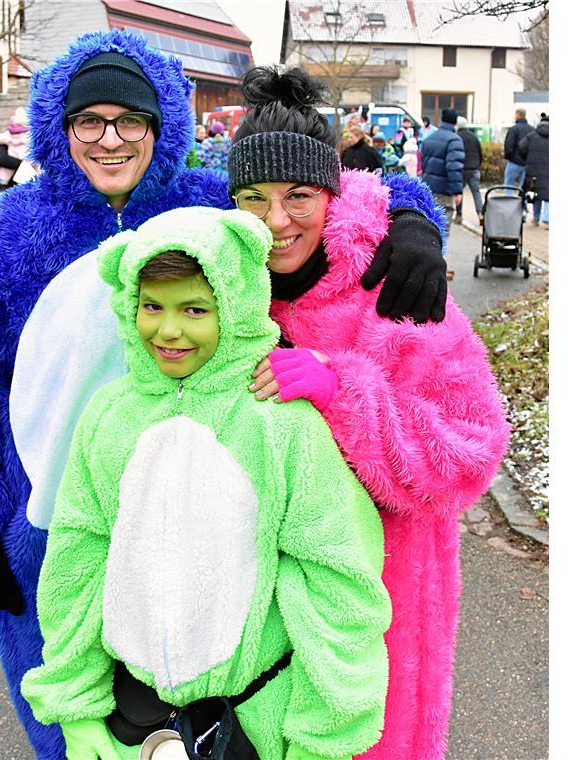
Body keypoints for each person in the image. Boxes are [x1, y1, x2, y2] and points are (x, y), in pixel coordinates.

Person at [0, 31, 447, 758]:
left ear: (161, 126)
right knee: (69, 710)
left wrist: (413, 217)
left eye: (130, 121)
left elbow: (319, 187)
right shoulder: (10, 229)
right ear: (58, 128)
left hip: (195, 508)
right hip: (50, 513)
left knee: (186, 698)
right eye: (88, 121)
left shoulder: (203, 199)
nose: (110, 140)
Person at [21, 206, 392, 759]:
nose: (168, 330)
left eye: (194, 309)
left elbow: (336, 582)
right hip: (133, 723)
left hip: (256, 722)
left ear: (235, 306)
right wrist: (75, 705)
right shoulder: (107, 417)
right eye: (152, 306)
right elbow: (78, 560)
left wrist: (323, 738)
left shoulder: (280, 425)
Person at [231, 65, 510, 760]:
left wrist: (342, 391)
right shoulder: (224, 290)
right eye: (254, 198)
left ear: (331, 193)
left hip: (385, 608)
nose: (276, 221)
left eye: (298, 196)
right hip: (253, 615)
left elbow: (471, 452)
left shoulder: (394, 289)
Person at [420, 107, 465, 235]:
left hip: (428, 188)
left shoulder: (429, 138)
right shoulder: (454, 140)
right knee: (442, 230)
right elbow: (454, 167)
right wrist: (457, 191)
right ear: (455, 121)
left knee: (428, 227)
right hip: (444, 190)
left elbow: (423, 163)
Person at [503, 107, 535, 219]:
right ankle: (523, 210)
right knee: (524, 188)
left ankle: (508, 208)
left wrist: (508, 156)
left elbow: (509, 145)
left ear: (517, 115)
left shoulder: (514, 129)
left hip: (514, 162)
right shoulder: (532, 130)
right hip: (527, 163)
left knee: (508, 184)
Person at [519, 113, 549, 227]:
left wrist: (527, 159)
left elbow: (521, 147)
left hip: (533, 169)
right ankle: (547, 219)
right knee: (549, 195)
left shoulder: (531, 136)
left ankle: (536, 219)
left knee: (536, 194)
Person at [0, 106, 33, 192]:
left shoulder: (6, 138)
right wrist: (24, 164)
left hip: (10, 179)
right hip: (20, 180)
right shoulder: (29, 138)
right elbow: (2, 160)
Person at [456, 115, 484, 223]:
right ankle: (480, 213)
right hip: (474, 168)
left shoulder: (456, 137)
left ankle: (459, 215)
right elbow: (480, 153)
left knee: (459, 192)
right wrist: (478, 165)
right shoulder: (474, 137)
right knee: (476, 192)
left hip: (461, 169)